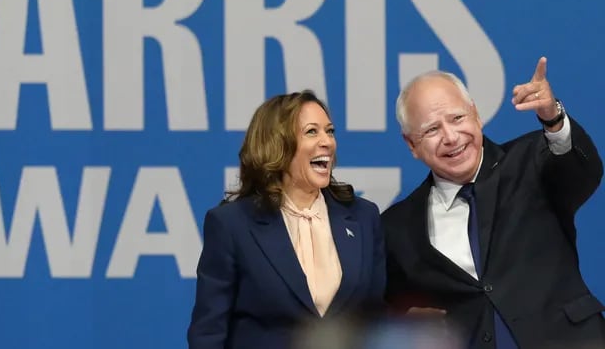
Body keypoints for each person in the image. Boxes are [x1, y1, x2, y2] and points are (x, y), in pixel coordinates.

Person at [382, 57, 605, 348]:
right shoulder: (397, 227)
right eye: (432, 130)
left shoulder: (532, 160)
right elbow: (382, 310)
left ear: (476, 114)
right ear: (411, 144)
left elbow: (583, 173)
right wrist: (402, 320)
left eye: (457, 118)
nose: (451, 137)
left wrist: (553, 119)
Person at [187, 90, 386, 349]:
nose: (327, 141)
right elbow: (209, 333)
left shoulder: (363, 217)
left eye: (330, 131)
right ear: (276, 144)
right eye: (312, 132)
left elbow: (377, 319)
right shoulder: (232, 225)